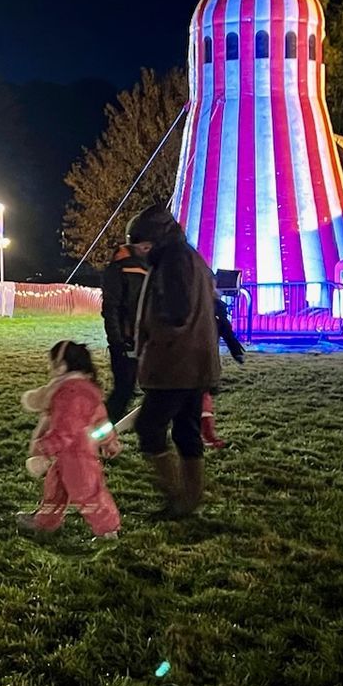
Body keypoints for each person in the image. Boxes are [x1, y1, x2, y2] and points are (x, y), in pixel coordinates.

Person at [125, 203, 219, 516]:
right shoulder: (190, 256)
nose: (138, 251)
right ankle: (189, 499)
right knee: (185, 431)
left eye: (140, 244)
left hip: (175, 363)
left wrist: (152, 337)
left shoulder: (172, 261)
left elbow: (176, 312)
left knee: (150, 428)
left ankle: (177, 495)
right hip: (195, 362)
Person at [17, 340, 120, 539]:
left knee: (88, 494)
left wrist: (45, 448)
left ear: (61, 365)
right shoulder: (84, 389)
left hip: (77, 457)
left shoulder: (71, 393)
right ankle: (45, 523)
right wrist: (109, 440)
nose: (49, 367)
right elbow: (100, 420)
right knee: (55, 492)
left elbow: (66, 429)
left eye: (51, 362)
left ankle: (108, 531)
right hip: (68, 456)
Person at [99, 239, 148, 423]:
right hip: (136, 339)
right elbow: (112, 307)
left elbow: (112, 308)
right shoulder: (136, 270)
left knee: (125, 391)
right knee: (128, 391)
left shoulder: (124, 270)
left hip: (135, 339)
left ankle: (99, 434)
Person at [200, 297, 247, 449]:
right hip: (192, 361)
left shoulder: (213, 309)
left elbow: (225, 330)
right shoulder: (213, 307)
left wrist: (235, 350)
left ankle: (206, 434)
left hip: (200, 361)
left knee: (201, 395)